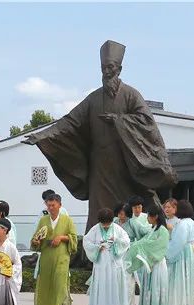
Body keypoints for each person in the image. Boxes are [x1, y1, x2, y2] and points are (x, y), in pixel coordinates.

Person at [24, 39, 177, 228]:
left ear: (119, 69)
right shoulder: (94, 99)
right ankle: (93, 242)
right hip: (100, 166)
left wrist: (119, 120)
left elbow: (146, 122)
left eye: (110, 67)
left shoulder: (131, 95)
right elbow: (70, 121)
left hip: (125, 163)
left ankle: (135, 234)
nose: (106, 71)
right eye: (103, 67)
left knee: (132, 204)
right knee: (98, 207)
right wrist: (41, 135)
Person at [30, 192, 77, 305]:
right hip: (47, 256)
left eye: (53, 205)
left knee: (61, 283)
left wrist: (61, 237)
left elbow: (74, 238)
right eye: (48, 205)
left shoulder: (67, 220)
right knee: (46, 283)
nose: (50, 208)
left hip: (62, 256)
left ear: (60, 205)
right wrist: (36, 241)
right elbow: (36, 238)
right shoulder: (43, 220)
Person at [124, 203, 169, 305]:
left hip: (157, 264)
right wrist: (134, 246)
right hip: (148, 264)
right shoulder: (152, 230)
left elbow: (158, 247)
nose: (147, 218)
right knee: (149, 289)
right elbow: (143, 242)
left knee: (156, 289)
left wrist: (139, 246)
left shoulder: (163, 231)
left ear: (155, 217)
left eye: (149, 216)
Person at [83, 207, 130, 305]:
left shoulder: (117, 229)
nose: (105, 226)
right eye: (103, 223)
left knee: (115, 287)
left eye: (107, 223)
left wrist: (116, 240)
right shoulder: (95, 229)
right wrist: (97, 247)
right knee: (101, 287)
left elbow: (126, 241)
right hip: (101, 263)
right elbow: (86, 241)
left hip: (114, 262)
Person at [166, 200, 194, 305]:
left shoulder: (182, 224)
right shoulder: (192, 222)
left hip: (182, 253)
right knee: (188, 280)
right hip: (191, 251)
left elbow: (178, 242)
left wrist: (167, 254)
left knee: (180, 279)